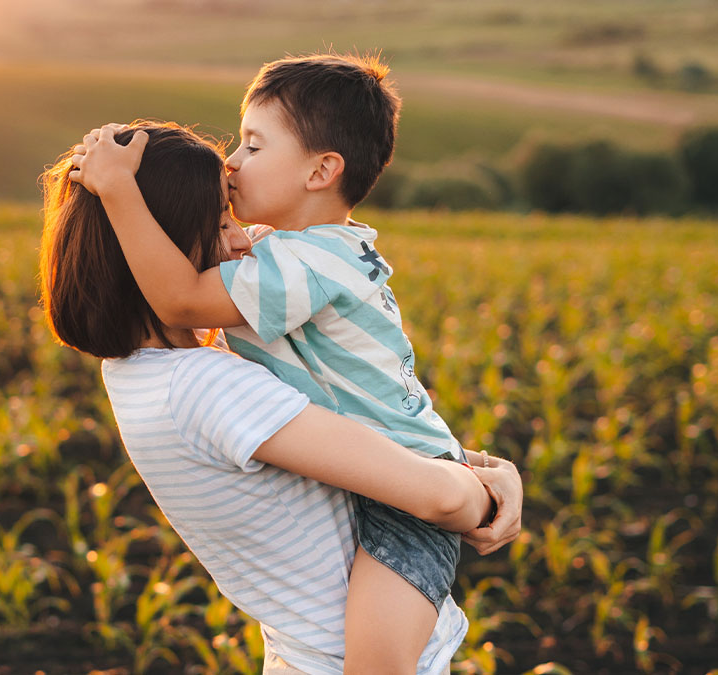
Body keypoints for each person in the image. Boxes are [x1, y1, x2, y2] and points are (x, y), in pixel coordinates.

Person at [69, 53, 514, 675]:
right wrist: (486, 486)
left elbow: (179, 296)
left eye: (252, 145)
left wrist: (117, 190)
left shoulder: (306, 263)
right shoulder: (282, 265)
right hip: (411, 483)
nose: (232, 163)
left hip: (406, 508)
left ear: (322, 170)